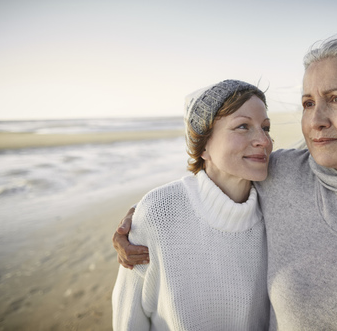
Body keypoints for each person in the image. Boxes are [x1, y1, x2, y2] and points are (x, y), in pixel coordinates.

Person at [114, 21, 337, 330]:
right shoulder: (283, 175)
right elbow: (215, 183)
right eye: (308, 103)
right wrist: (144, 220)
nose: (316, 121)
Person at [112, 79, 272, 330]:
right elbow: (128, 316)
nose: (264, 140)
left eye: (266, 128)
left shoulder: (277, 207)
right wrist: (142, 214)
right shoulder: (158, 211)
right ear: (203, 145)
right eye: (243, 126)